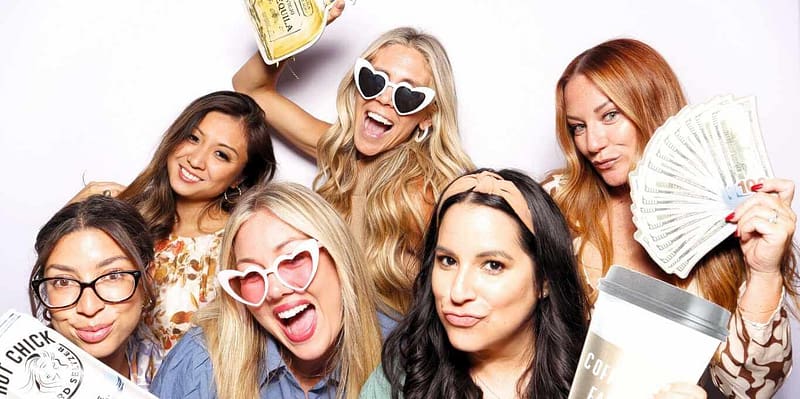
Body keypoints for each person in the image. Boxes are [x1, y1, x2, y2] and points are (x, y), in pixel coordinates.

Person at [543, 38, 798, 397]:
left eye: (610, 116)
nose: (592, 143)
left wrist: (763, 272)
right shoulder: (560, 202)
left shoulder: (730, 219)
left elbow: (749, 390)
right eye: (577, 127)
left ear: (652, 105)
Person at [234, 26, 474, 313]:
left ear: (427, 117)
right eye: (373, 80)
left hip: (386, 350)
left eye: (407, 95)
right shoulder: (341, 153)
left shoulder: (420, 194)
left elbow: (461, 290)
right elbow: (249, 87)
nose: (383, 99)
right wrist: (301, 28)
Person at [71, 91, 277, 365]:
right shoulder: (129, 220)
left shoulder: (242, 243)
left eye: (221, 154)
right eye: (193, 138)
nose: (195, 159)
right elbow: (63, 287)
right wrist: (74, 213)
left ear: (239, 178)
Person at [360, 169, 589, 398]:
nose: (458, 292)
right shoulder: (397, 382)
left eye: (492, 265)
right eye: (448, 261)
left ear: (544, 280)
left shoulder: (596, 380)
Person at [150, 181, 386, 399]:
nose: (274, 289)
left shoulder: (401, 353)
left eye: (293, 259)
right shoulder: (199, 360)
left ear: (338, 255)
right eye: (252, 274)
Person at [29, 195, 156, 388]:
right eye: (63, 281)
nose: (88, 307)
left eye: (112, 276)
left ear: (148, 279)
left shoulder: (167, 367)